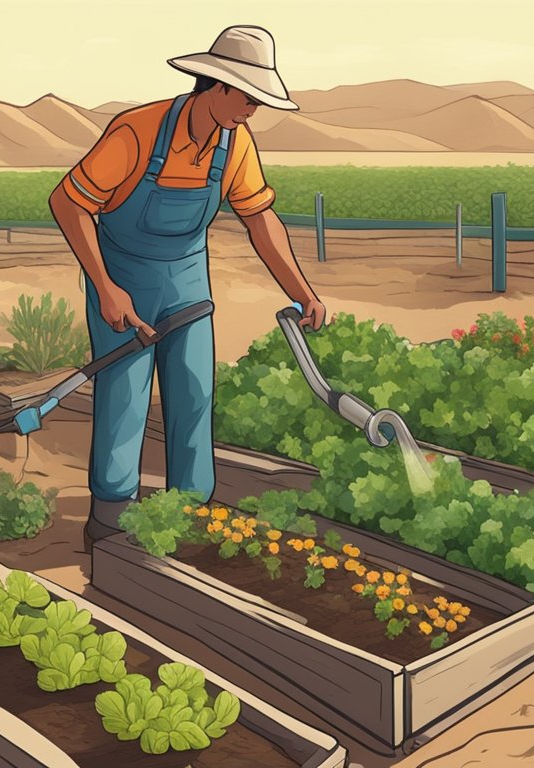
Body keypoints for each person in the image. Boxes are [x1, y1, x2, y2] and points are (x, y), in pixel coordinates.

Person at [48, 25, 326, 552]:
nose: (252, 111)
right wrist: (105, 287)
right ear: (216, 86)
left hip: (188, 285)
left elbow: (260, 218)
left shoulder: (236, 143)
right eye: (248, 98)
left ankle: (188, 518)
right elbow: (69, 202)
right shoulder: (137, 131)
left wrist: (302, 292)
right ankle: (108, 524)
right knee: (125, 400)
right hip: (123, 285)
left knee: (194, 395)